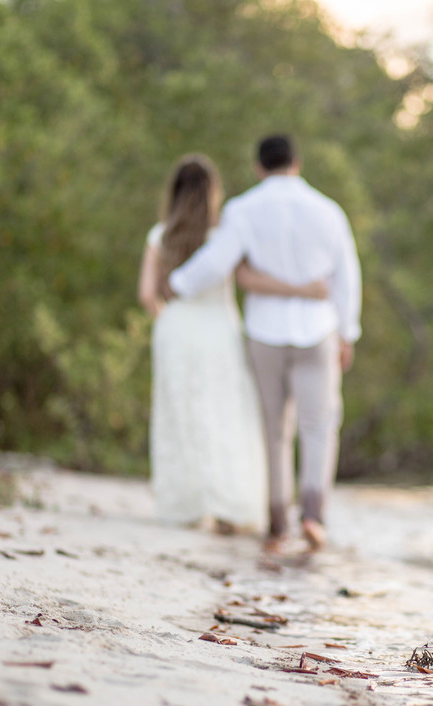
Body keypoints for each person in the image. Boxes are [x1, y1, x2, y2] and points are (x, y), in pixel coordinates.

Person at [169, 134, 362, 553]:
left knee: (273, 432)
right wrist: (348, 332)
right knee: (318, 427)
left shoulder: (243, 209)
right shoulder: (329, 211)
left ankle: (277, 523)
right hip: (318, 332)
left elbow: (217, 262)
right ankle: (313, 515)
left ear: (259, 167)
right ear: (298, 162)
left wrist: (177, 284)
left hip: (265, 333)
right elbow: (347, 277)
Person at [138, 153, 327, 533]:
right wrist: (306, 290)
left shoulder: (160, 235)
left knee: (181, 417)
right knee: (226, 414)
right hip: (218, 332)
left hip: (176, 331)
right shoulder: (225, 233)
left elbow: (147, 295)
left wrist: (168, 322)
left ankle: (186, 508)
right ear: (213, 192)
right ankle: (228, 507)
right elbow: (247, 279)